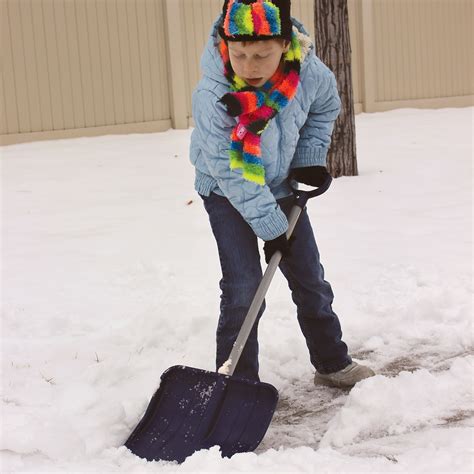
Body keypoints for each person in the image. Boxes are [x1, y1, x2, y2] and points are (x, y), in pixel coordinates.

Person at [189, 0, 374, 388]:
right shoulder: (213, 93)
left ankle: (331, 362)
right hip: (227, 192)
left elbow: (325, 107)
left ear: (284, 45)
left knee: (309, 279)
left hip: (283, 186)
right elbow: (229, 168)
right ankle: (237, 386)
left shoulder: (307, 71)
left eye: (261, 55)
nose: (249, 66)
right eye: (239, 54)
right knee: (243, 288)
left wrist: (308, 158)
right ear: (225, 44)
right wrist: (270, 225)